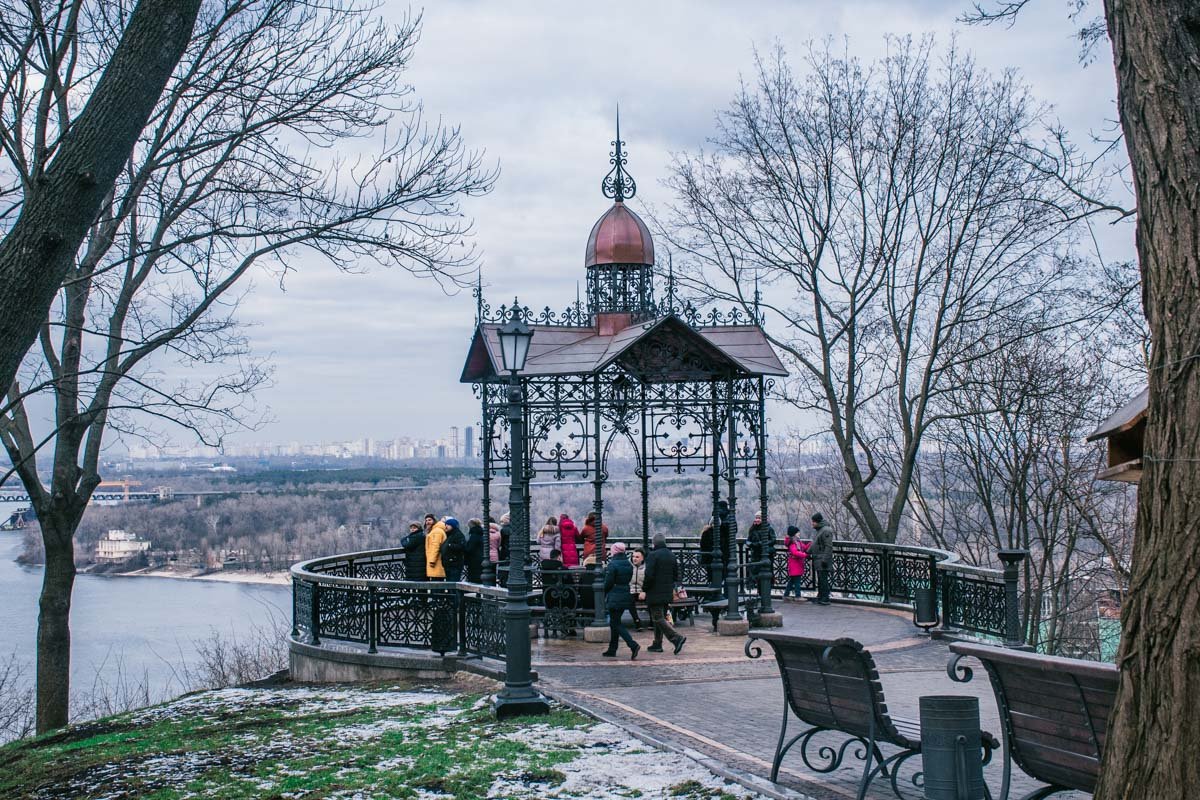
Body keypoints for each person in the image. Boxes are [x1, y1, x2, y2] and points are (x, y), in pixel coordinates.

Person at [641, 533, 686, 654]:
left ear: (654, 543)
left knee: (658, 618)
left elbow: (649, 575)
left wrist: (644, 588)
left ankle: (676, 638)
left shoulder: (652, 555)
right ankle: (657, 643)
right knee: (659, 618)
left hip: (655, 592)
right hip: (667, 592)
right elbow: (676, 575)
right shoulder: (671, 555)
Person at [601, 542, 639, 660]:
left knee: (615, 623)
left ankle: (633, 645)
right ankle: (612, 649)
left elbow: (608, 583)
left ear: (614, 551)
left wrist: (604, 591)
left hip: (615, 596)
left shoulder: (612, 565)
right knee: (615, 622)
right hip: (625, 595)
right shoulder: (628, 564)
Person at [809, 512, 833, 605]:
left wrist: (824, 559)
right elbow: (815, 544)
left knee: (823, 580)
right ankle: (821, 597)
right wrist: (807, 552)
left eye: (813, 522)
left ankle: (825, 598)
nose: (812, 523)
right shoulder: (821, 530)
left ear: (818, 521)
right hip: (818, 558)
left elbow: (828, 546)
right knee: (820, 579)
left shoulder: (825, 530)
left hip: (822, 559)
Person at [783, 525, 811, 600]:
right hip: (795, 564)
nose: (799, 533)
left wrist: (810, 543)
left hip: (797, 564)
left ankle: (786, 595)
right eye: (798, 532)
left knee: (792, 580)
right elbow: (795, 552)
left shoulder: (797, 541)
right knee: (797, 581)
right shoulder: (792, 543)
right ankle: (798, 596)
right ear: (794, 534)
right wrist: (805, 555)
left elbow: (804, 547)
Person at [440, 517, 466, 582]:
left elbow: (462, 546)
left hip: (454, 564)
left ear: (453, 526)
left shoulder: (458, 535)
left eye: (448, 525)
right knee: (449, 583)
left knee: (453, 582)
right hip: (448, 564)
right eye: (445, 525)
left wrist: (450, 545)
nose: (446, 526)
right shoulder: (449, 535)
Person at [629, 548, 647, 631]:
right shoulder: (629, 567)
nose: (634, 559)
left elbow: (649, 581)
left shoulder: (646, 568)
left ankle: (653, 621)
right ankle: (637, 621)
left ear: (642, 558)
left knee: (652, 599)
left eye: (637, 557)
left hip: (642, 591)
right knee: (629, 601)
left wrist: (644, 591)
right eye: (633, 556)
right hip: (631, 591)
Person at [465, 518, 485, 582]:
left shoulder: (474, 535)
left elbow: (469, 548)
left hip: (474, 560)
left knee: (474, 578)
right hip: (480, 558)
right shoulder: (481, 534)